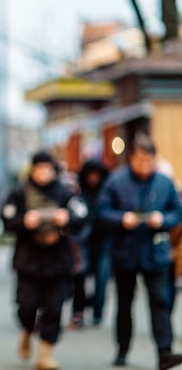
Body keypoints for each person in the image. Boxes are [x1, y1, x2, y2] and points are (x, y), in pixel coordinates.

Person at [96, 133, 182, 370]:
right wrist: (121, 218)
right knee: (125, 303)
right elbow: (101, 211)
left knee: (159, 302)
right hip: (125, 251)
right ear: (132, 158)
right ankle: (122, 349)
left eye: (149, 161)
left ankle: (165, 352)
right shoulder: (116, 181)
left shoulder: (164, 183)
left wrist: (162, 219)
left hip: (155, 252)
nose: (144, 166)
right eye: (140, 161)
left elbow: (177, 211)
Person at [1, 151, 87, 370]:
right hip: (28, 261)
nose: (42, 173)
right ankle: (27, 331)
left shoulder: (65, 192)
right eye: (38, 168)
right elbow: (6, 219)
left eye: (46, 168)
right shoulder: (20, 192)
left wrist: (67, 218)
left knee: (54, 308)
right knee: (26, 305)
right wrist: (24, 221)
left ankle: (46, 353)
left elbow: (83, 216)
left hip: (58, 261)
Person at [68, 159, 110, 328]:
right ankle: (78, 311)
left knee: (102, 278)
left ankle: (97, 312)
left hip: (104, 240)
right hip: (83, 242)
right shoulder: (78, 195)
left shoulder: (107, 193)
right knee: (80, 277)